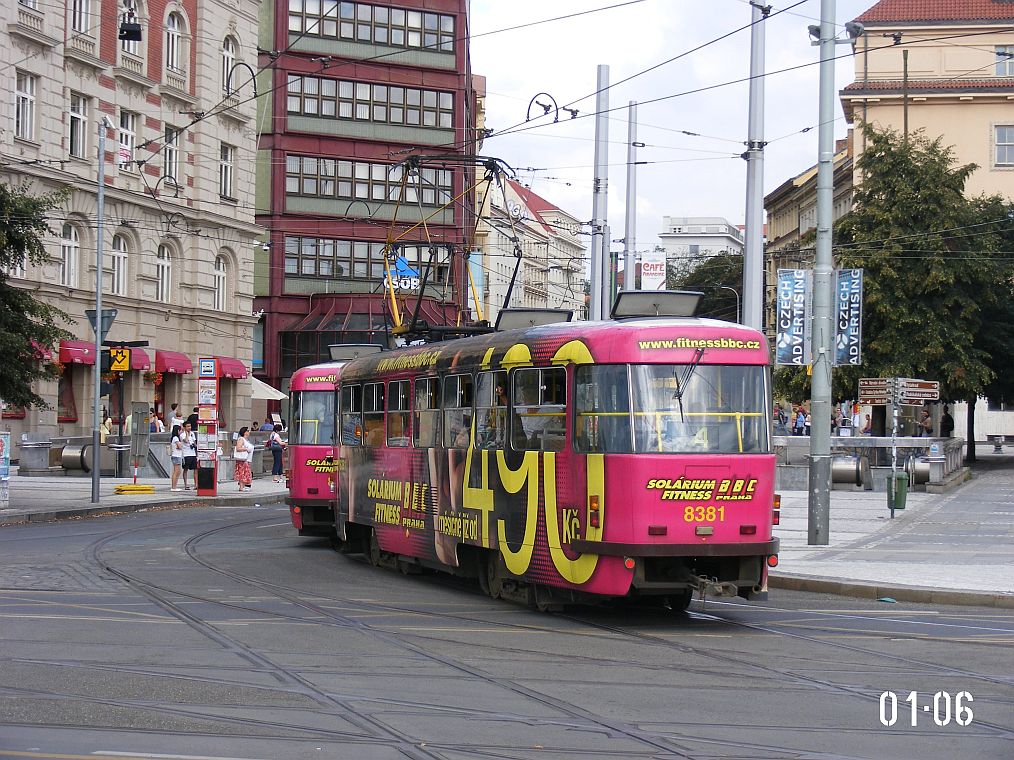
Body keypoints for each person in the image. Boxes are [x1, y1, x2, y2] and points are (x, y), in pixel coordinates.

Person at [233, 426, 253, 491]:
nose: (249, 432)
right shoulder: (241, 439)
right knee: (242, 472)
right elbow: (238, 448)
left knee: (245, 472)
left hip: (247, 459)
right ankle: (241, 487)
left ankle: (243, 486)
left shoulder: (246, 440)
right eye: (248, 431)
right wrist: (246, 449)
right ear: (245, 432)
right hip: (243, 459)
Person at [179, 420, 197, 489]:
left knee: (195, 469)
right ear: (184, 427)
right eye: (188, 426)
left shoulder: (192, 433)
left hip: (193, 453)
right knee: (186, 469)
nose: (189, 428)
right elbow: (186, 441)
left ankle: (196, 485)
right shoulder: (182, 435)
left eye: (190, 426)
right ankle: (186, 484)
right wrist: (186, 434)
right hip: (186, 454)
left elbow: (194, 443)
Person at [169, 424, 184, 491]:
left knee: (178, 471)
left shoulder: (177, 438)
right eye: (180, 430)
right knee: (176, 471)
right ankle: (173, 487)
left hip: (177, 455)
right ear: (178, 430)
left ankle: (174, 486)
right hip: (176, 455)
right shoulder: (175, 438)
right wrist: (181, 445)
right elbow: (180, 446)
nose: (181, 431)